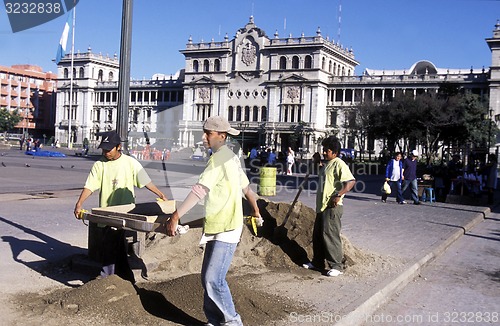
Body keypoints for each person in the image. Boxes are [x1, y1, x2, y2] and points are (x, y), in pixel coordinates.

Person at [166, 116, 261, 326]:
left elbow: (200, 190)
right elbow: (246, 188)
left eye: (208, 133)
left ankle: (232, 322)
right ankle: (215, 319)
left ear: (221, 136)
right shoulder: (230, 157)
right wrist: (255, 210)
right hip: (219, 224)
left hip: (226, 226)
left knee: (213, 279)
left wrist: (176, 216)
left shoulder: (219, 159)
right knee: (207, 277)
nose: (203, 137)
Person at [73, 131, 167, 283]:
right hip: (108, 213)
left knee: (113, 244)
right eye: (103, 149)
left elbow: (145, 181)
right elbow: (90, 186)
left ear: (118, 147)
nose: (105, 152)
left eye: (108, 149)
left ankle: (108, 277)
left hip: (126, 213)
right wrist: (79, 203)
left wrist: (161, 194)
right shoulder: (99, 165)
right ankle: (124, 277)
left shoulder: (130, 163)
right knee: (115, 244)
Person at [302, 136, 356, 277]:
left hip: (332, 206)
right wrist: (317, 162)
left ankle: (336, 265)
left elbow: (351, 181)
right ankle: (317, 262)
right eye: (324, 150)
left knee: (330, 235)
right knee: (318, 235)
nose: (325, 152)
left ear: (335, 152)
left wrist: (339, 194)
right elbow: (324, 174)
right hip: (321, 206)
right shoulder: (327, 164)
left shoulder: (339, 163)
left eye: (327, 150)